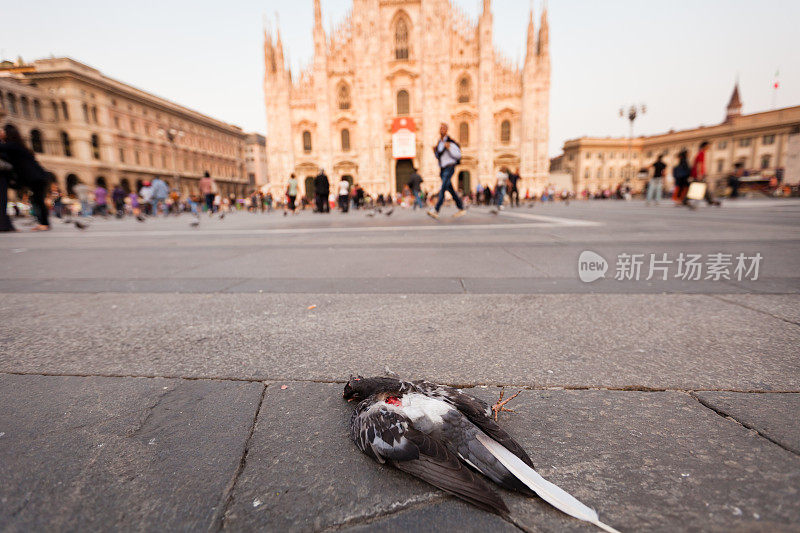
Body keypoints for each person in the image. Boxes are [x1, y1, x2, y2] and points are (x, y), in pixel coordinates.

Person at [0, 123, 50, 230]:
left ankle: (45, 224)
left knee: (38, 200)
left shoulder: (12, 145)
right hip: (37, 176)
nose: (1, 133)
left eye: (3, 131)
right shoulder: (17, 145)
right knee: (36, 200)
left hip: (35, 177)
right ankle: (43, 223)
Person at [428, 123, 466, 219]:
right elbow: (439, 157)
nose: (442, 130)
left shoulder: (451, 142)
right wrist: (435, 152)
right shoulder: (439, 143)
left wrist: (449, 148)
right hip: (443, 168)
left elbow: (458, 155)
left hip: (449, 167)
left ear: (446, 130)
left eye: (443, 129)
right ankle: (461, 207)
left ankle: (436, 209)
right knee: (450, 189)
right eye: (440, 128)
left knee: (443, 187)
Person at [689, 141, 720, 207]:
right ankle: (685, 201)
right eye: (708, 146)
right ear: (704, 146)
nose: (709, 147)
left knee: (704, 187)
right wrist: (699, 174)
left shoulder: (700, 153)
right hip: (698, 174)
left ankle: (710, 201)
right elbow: (699, 164)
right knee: (698, 187)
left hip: (698, 173)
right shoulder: (701, 153)